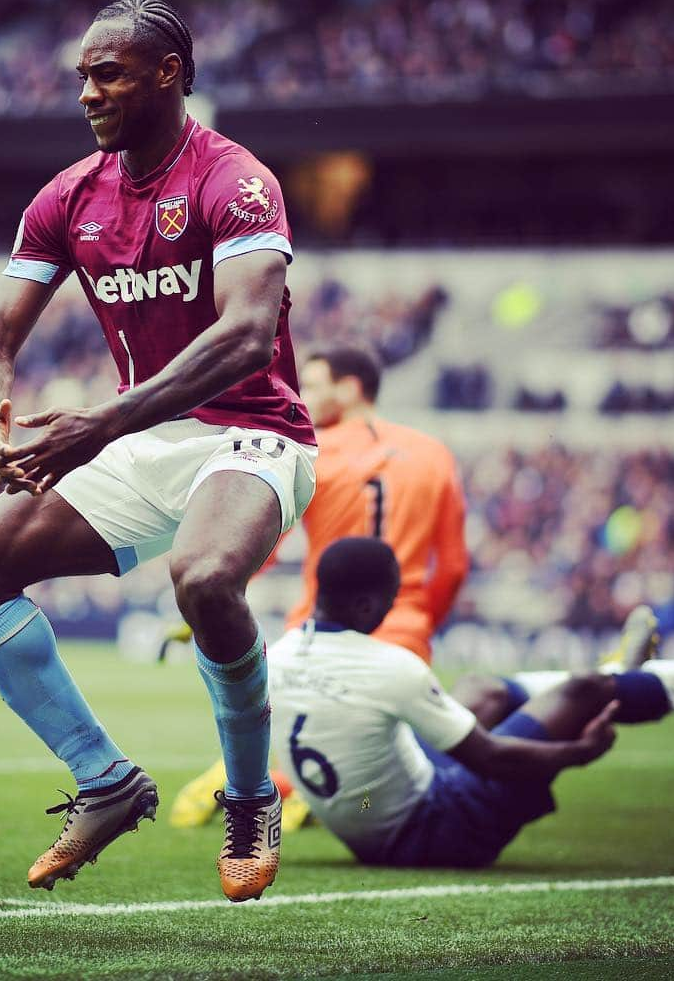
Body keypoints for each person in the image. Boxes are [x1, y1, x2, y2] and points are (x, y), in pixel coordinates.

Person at [0, 0, 317, 902]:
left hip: (255, 434)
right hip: (144, 436)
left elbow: (247, 337)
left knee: (205, 578)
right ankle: (105, 782)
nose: (88, 94)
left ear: (168, 73)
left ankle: (252, 798)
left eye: (108, 74)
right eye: (82, 77)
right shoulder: (68, 196)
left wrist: (100, 424)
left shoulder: (238, 181)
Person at [170, 344, 468, 826]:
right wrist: (417, 622)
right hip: (405, 629)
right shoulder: (435, 455)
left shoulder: (313, 452)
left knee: (290, 727)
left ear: (350, 389)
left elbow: (260, 545)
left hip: (317, 630)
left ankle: (242, 785)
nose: (301, 395)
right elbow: (452, 565)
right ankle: (309, 796)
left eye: (312, 385)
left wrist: (209, 601)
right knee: (385, 747)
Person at [267, 538, 674, 868]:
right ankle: (637, 683)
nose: (393, 608)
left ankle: (619, 676)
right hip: (437, 832)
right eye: (392, 599)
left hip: (373, 827)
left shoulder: (279, 655)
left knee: (481, 689)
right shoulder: (390, 665)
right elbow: (492, 760)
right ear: (365, 606)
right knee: (582, 690)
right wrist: (578, 754)